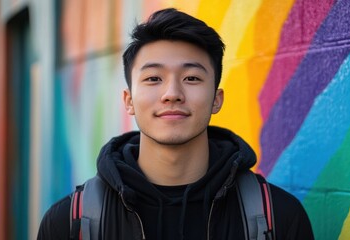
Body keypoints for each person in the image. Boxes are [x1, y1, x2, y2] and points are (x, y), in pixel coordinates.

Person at [37, 8, 314, 240]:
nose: (172, 93)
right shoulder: (69, 224)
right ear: (129, 100)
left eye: (192, 78)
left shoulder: (277, 219)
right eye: (153, 78)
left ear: (216, 99)